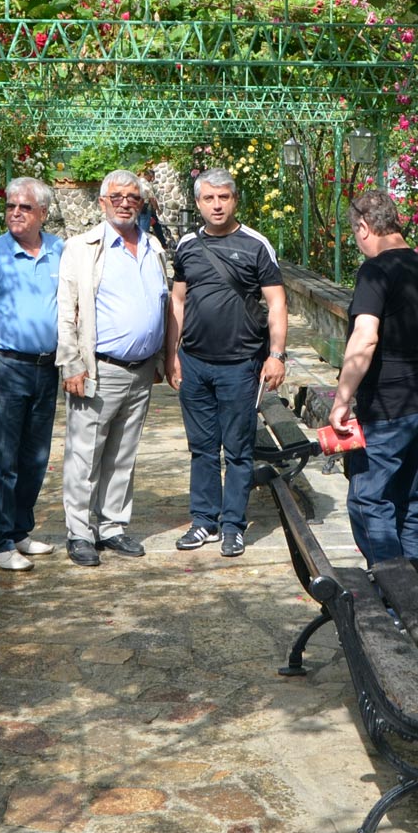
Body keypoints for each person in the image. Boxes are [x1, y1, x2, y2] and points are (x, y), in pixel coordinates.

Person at [56, 169, 178, 568]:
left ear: (141, 204)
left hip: (141, 370)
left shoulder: (152, 246)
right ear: (102, 202)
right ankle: (79, 531)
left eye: (133, 197)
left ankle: (112, 526)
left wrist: (161, 358)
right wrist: (72, 364)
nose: (126, 202)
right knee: (85, 454)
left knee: (124, 453)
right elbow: (67, 313)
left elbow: (163, 306)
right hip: (98, 369)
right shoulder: (82, 247)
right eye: (118, 196)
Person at [170, 169, 286, 558]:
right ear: (199, 202)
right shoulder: (186, 245)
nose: (216, 205)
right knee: (202, 448)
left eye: (223, 197)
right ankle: (204, 521)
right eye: (208, 198)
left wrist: (276, 354)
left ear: (235, 200)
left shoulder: (256, 245)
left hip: (241, 365)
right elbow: (178, 301)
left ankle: (233, 526)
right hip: (196, 363)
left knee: (237, 450)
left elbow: (277, 302)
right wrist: (172, 354)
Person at [329, 190, 418, 573]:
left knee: (367, 500)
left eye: (355, 233)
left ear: (364, 227)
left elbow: (365, 337)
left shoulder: (375, 270)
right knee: (409, 500)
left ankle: (395, 593)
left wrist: (342, 399)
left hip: (387, 407)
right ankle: (415, 597)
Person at [0, 177, 65, 572]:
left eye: (24, 207)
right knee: (0, 459)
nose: (15, 213)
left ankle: (20, 530)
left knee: (35, 457)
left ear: (43, 213)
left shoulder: (60, 251)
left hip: (47, 368)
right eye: (10, 207)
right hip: (4, 366)